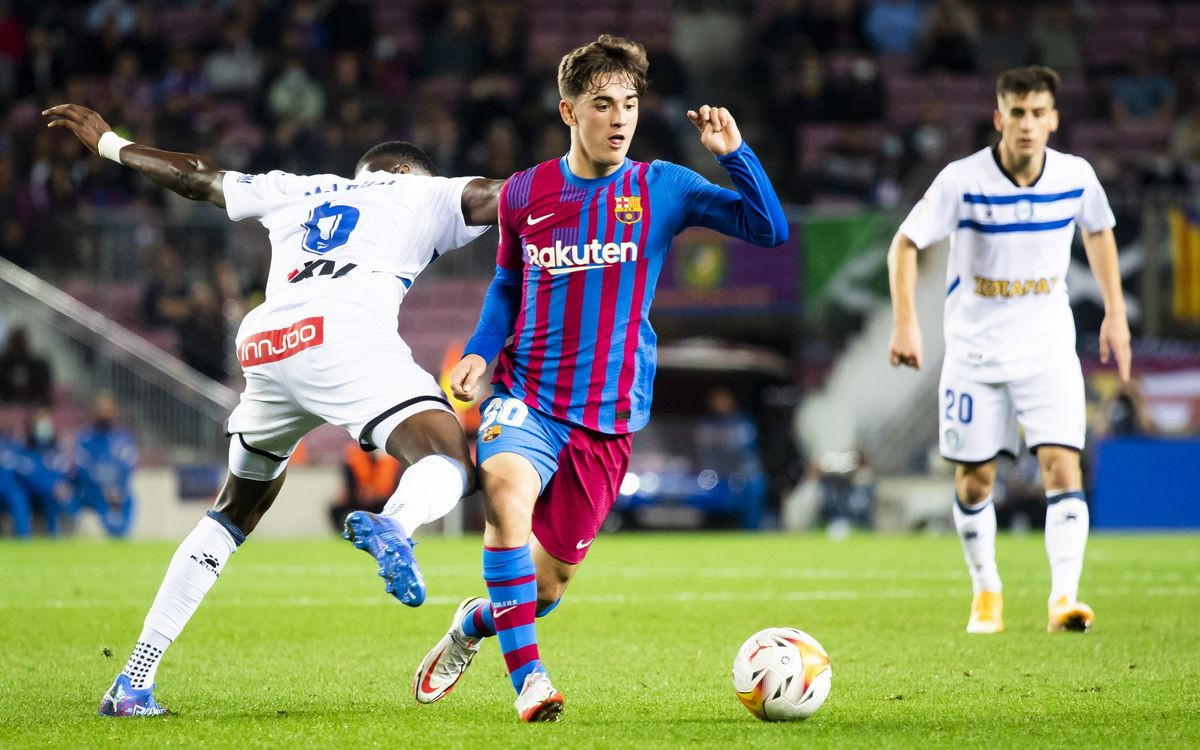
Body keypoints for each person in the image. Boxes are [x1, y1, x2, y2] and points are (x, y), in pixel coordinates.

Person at [42, 101, 503, 717]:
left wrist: (110, 146)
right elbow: (519, 194)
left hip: (267, 339)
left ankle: (133, 680)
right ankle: (395, 523)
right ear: (408, 173)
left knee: (232, 513)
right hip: (342, 334)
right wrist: (617, 171)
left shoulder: (298, 189)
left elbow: (197, 176)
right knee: (447, 455)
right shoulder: (427, 195)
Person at [411, 35, 788, 722]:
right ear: (568, 111)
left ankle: (476, 624)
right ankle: (530, 682)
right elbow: (505, 285)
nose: (619, 118)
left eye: (631, 104)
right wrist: (478, 352)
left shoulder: (661, 187)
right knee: (504, 494)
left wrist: (735, 155)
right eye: (603, 104)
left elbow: (769, 231)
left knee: (547, 587)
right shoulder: (525, 192)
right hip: (525, 398)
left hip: (608, 417)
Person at [885, 65, 1132, 635]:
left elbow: (1098, 231)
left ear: (1053, 119)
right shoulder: (961, 180)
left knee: (1062, 466)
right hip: (974, 355)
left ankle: (1065, 599)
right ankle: (986, 592)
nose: (1027, 124)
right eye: (1016, 113)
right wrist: (905, 324)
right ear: (999, 118)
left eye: (1037, 113)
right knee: (974, 481)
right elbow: (904, 244)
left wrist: (1115, 313)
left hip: (1048, 351)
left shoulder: (1076, 175)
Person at [71, 392, 138, 537]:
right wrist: (104, 488)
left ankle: (123, 534)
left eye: (108, 410)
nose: (104, 414)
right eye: (101, 410)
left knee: (130, 499)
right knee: (100, 503)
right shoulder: (85, 437)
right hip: (93, 490)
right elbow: (83, 469)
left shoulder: (122, 437)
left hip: (118, 489)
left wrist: (117, 488)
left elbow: (127, 467)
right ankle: (110, 530)